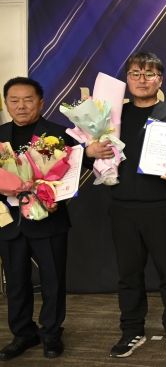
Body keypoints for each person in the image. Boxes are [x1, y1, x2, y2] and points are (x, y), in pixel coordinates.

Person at [86, 52, 166, 358]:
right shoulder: (112, 118)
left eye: (149, 74)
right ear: (127, 79)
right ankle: (132, 331)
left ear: (160, 80)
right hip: (122, 208)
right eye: (136, 74)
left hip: (162, 206)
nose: (142, 80)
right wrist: (90, 151)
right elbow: (90, 154)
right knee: (129, 275)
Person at [0, 77, 75, 360]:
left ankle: (51, 334)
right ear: (6, 103)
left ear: (41, 102)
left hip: (49, 220)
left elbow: (70, 176)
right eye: (14, 100)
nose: (21, 106)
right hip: (9, 222)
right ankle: (23, 333)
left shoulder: (57, 135)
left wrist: (55, 198)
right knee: (16, 282)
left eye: (28, 100)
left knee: (53, 280)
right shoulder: (0, 135)